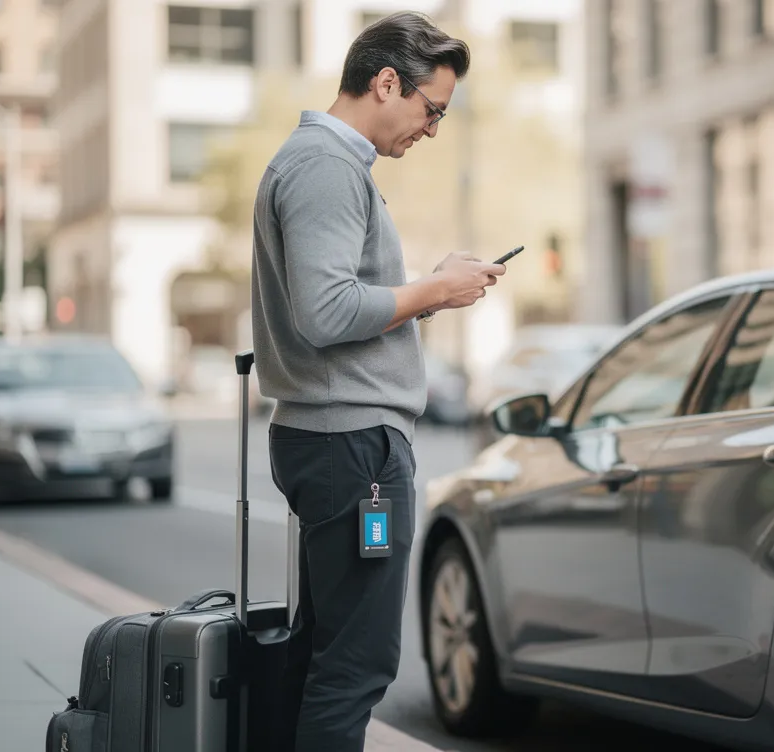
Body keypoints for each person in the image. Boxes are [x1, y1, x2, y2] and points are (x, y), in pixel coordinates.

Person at [248, 11, 501, 752]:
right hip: (352, 449)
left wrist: (435, 285)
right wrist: (435, 290)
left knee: (323, 651)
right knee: (357, 662)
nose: (431, 130)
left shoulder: (324, 164)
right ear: (387, 82)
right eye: (431, 110)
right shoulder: (327, 167)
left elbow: (333, 307)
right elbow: (325, 313)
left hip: (337, 440)